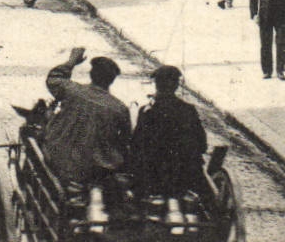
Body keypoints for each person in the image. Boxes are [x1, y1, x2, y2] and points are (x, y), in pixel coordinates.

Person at [43, 47, 132, 187]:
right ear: (112, 80)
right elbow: (124, 141)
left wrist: (71, 61)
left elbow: (54, 78)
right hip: (95, 171)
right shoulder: (119, 108)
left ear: (91, 74)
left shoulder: (72, 90)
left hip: (60, 159)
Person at [129, 65, 207, 197]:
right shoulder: (188, 110)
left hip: (151, 179)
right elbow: (202, 145)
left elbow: (136, 145)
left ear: (156, 85)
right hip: (183, 179)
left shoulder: (146, 111)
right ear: (177, 85)